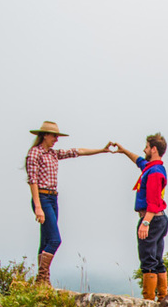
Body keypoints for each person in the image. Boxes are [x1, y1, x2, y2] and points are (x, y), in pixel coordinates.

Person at [25, 120, 109, 286]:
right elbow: (32, 180)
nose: (56, 139)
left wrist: (101, 150)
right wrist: (38, 207)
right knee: (55, 239)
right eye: (54, 136)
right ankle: (42, 278)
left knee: (46, 240)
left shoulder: (53, 154)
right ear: (45, 135)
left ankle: (42, 280)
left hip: (52, 197)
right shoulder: (35, 153)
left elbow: (78, 151)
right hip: (42, 197)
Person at [112, 134, 168, 302]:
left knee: (148, 260)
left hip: (152, 219)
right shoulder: (153, 167)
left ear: (154, 149)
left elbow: (154, 201)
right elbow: (139, 161)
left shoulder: (154, 173)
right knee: (157, 259)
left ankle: (149, 301)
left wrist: (145, 223)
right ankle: (163, 298)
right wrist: (123, 151)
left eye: (146, 146)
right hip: (159, 219)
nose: (143, 149)